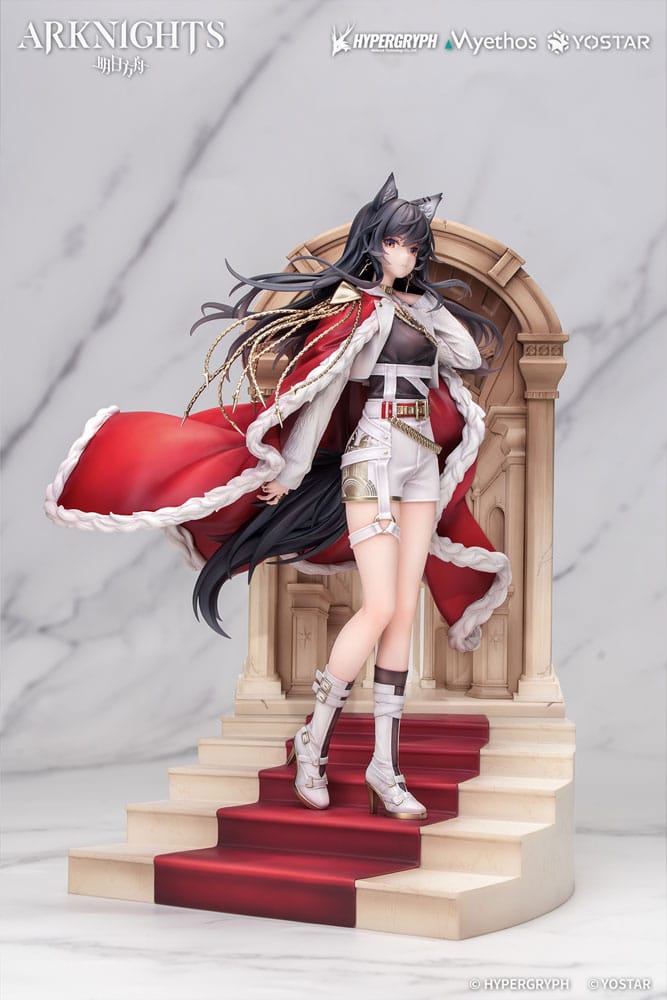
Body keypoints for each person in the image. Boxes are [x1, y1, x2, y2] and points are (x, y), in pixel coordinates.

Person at [45, 173, 511, 821]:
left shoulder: (419, 308)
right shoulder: (357, 308)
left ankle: (384, 767)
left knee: (404, 614)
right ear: (374, 243)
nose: (405, 253)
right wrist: (290, 472)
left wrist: (426, 304)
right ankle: (313, 742)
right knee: (379, 606)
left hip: (421, 465)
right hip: (372, 457)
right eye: (394, 242)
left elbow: (465, 357)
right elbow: (322, 393)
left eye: (413, 245)